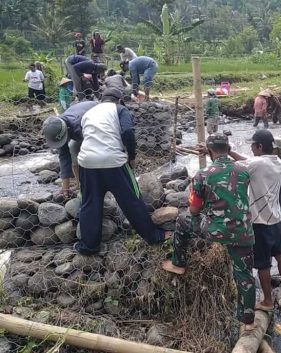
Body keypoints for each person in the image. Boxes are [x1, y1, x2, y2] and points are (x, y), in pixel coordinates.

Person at [162, 134, 257, 331]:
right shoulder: (245, 169)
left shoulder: (203, 174)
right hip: (243, 231)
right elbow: (242, 168)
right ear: (228, 147)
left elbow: (195, 211)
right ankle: (248, 322)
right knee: (245, 275)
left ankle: (178, 263)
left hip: (216, 231)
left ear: (209, 150)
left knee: (182, 219)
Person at [75, 88, 168, 255]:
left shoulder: (89, 112)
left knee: (90, 203)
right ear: (120, 100)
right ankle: (153, 236)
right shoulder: (119, 109)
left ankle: (89, 246)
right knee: (131, 200)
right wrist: (131, 155)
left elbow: (83, 135)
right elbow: (127, 131)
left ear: (102, 99)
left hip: (87, 163)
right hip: (114, 162)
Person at [228, 130, 281, 313]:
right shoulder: (277, 161)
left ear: (259, 146)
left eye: (253, 145)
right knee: (280, 255)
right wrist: (229, 151)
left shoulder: (257, 163)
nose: (250, 148)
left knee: (263, 263)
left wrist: (223, 153)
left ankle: (267, 300)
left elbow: (238, 165)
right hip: (276, 218)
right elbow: (248, 161)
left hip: (260, 222)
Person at [42, 101, 99, 195]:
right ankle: (80, 184)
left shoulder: (79, 125)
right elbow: (64, 156)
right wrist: (65, 186)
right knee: (73, 151)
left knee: (89, 155)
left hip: (97, 123)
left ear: (67, 130)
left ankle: (98, 184)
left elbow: (95, 150)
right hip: (79, 126)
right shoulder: (56, 127)